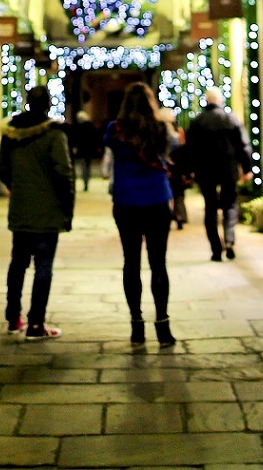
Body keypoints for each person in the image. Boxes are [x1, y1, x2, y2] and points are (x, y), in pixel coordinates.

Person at [0, 85, 74, 341]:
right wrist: (66, 206)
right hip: (48, 210)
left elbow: (2, 168)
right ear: (49, 104)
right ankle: (36, 323)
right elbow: (63, 172)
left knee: (17, 264)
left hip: (21, 208)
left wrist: (17, 188)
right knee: (43, 266)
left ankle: (13, 317)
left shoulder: (11, 134)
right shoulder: (54, 134)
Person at [106, 82, 177, 347]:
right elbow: (173, 146)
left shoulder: (115, 130)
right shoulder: (160, 129)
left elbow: (111, 150)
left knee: (131, 262)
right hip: (157, 199)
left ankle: (137, 325)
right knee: (159, 263)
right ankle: (163, 325)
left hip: (126, 202)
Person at [183, 88, 254, 262]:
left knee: (210, 208)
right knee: (230, 204)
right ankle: (229, 240)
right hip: (228, 169)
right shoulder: (231, 119)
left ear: (206, 101)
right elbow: (243, 146)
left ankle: (216, 248)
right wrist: (246, 168)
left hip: (205, 170)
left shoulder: (198, 121)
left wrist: (189, 170)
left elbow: (190, 149)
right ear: (220, 101)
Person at [157, 107, 190, 229]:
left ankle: (169, 215)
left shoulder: (157, 131)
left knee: (167, 193)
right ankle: (180, 215)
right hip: (176, 166)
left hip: (163, 166)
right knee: (178, 193)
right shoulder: (177, 132)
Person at [69, 110, 103, 192]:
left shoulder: (78, 127)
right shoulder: (90, 126)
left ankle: (85, 181)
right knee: (87, 166)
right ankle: (86, 181)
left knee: (83, 166)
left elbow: (75, 138)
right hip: (88, 150)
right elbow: (96, 137)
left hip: (82, 150)